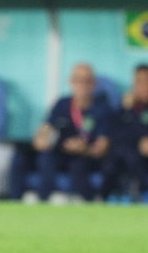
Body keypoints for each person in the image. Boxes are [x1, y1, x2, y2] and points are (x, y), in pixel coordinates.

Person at [32, 63, 112, 203]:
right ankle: (42, 201)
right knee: (44, 158)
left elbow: (102, 147)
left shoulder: (102, 109)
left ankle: (91, 203)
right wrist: (42, 139)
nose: (82, 85)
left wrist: (85, 149)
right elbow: (45, 130)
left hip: (87, 156)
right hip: (61, 152)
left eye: (87, 81)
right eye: (78, 80)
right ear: (71, 82)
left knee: (78, 165)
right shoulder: (62, 104)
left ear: (94, 84)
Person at [106, 63, 148, 201]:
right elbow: (116, 135)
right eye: (140, 82)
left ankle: (144, 192)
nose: (144, 86)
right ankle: (107, 197)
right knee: (121, 152)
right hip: (130, 157)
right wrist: (128, 111)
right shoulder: (126, 110)